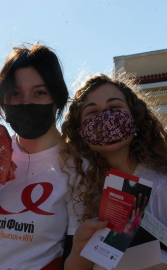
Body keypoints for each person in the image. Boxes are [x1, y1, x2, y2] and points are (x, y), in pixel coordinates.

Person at [0, 43, 87, 270]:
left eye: (40, 92)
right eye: (15, 93)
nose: (26, 102)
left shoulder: (79, 165)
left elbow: (75, 257)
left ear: (58, 99)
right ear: (3, 100)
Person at [60, 73, 167, 269]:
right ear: (80, 132)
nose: (105, 117)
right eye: (92, 112)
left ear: (135, 118)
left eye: (115, 108)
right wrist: (79, 249)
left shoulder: (162, 185)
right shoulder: (82, 192)